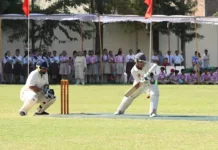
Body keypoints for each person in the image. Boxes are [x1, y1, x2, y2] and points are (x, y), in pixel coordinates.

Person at [114, 53, 159, 117]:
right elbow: (138, 81)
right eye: (140, 62)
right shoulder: (133, 71)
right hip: (139, 83)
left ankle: (153, 111)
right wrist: (143, 79)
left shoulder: (148, 65)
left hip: (150, 83)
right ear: (136, 61)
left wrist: (148, 77)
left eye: (143, 62)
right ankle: (120, 110)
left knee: (155, 93)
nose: (142, 63)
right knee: (130, 95)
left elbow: (155, 69)